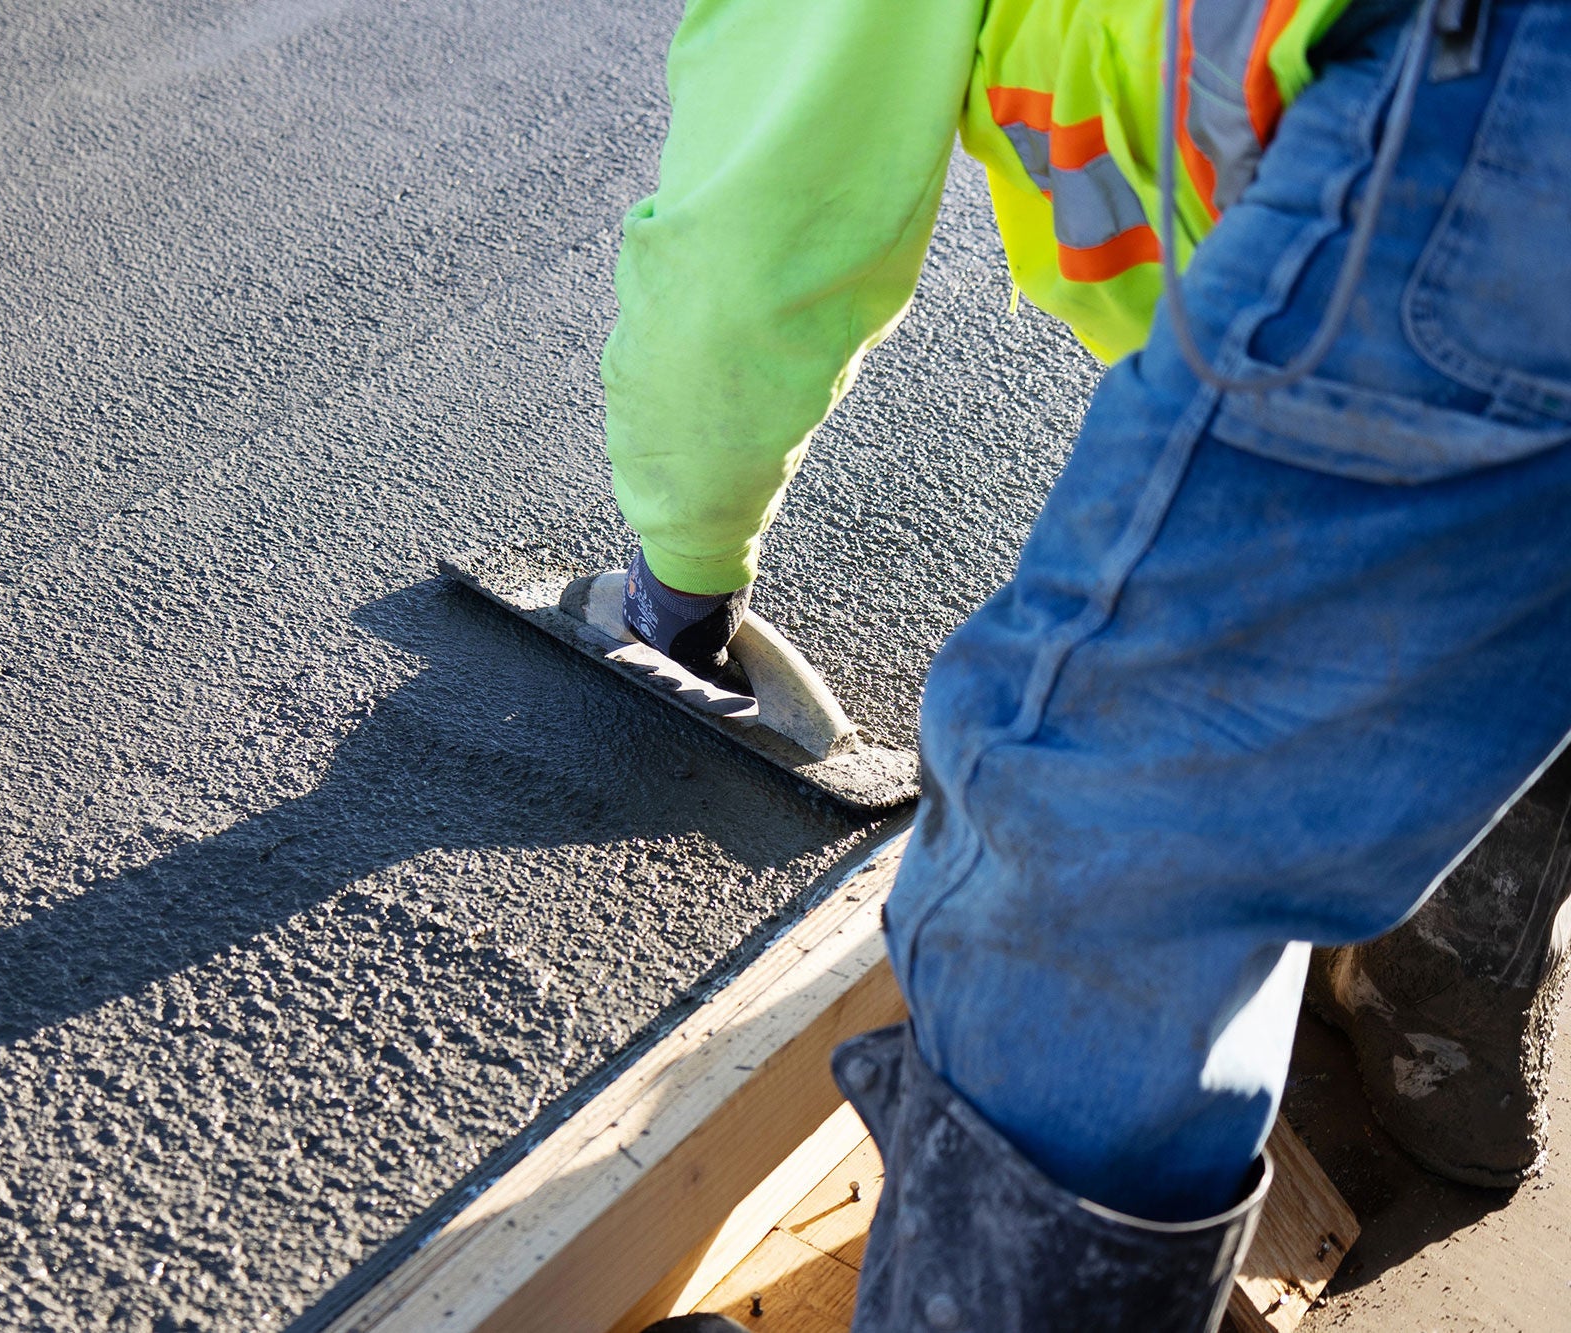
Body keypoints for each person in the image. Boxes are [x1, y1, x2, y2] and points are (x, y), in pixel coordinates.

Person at [606, 0, 1571, 1327]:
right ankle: (1440, 992)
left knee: (1087, 849)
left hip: (1497, 128)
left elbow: (755, 242)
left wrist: (680, 573)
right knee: (1478, 582)